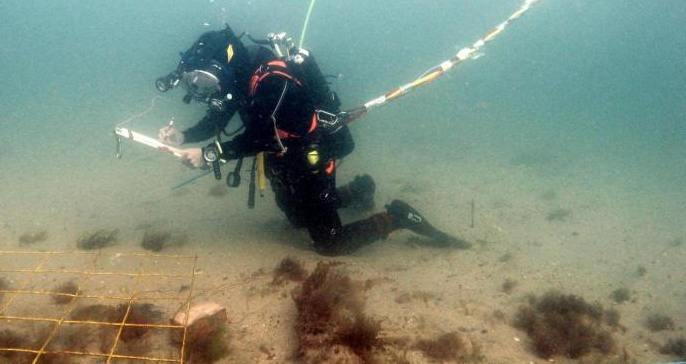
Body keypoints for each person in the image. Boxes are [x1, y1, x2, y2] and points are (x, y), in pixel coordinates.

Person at [155, 25, 468, 256]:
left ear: (222, 66)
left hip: (312, 152)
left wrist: (211, 154)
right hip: (284, 156)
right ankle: (360, 189)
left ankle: (396, 216)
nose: (200, 89)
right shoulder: (240, 81)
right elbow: (218, 119)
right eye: (193, 82)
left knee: (329, 242)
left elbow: (263, 134)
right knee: (296, 219)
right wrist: (184, 136)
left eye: (204, 80)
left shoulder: (270, 80)